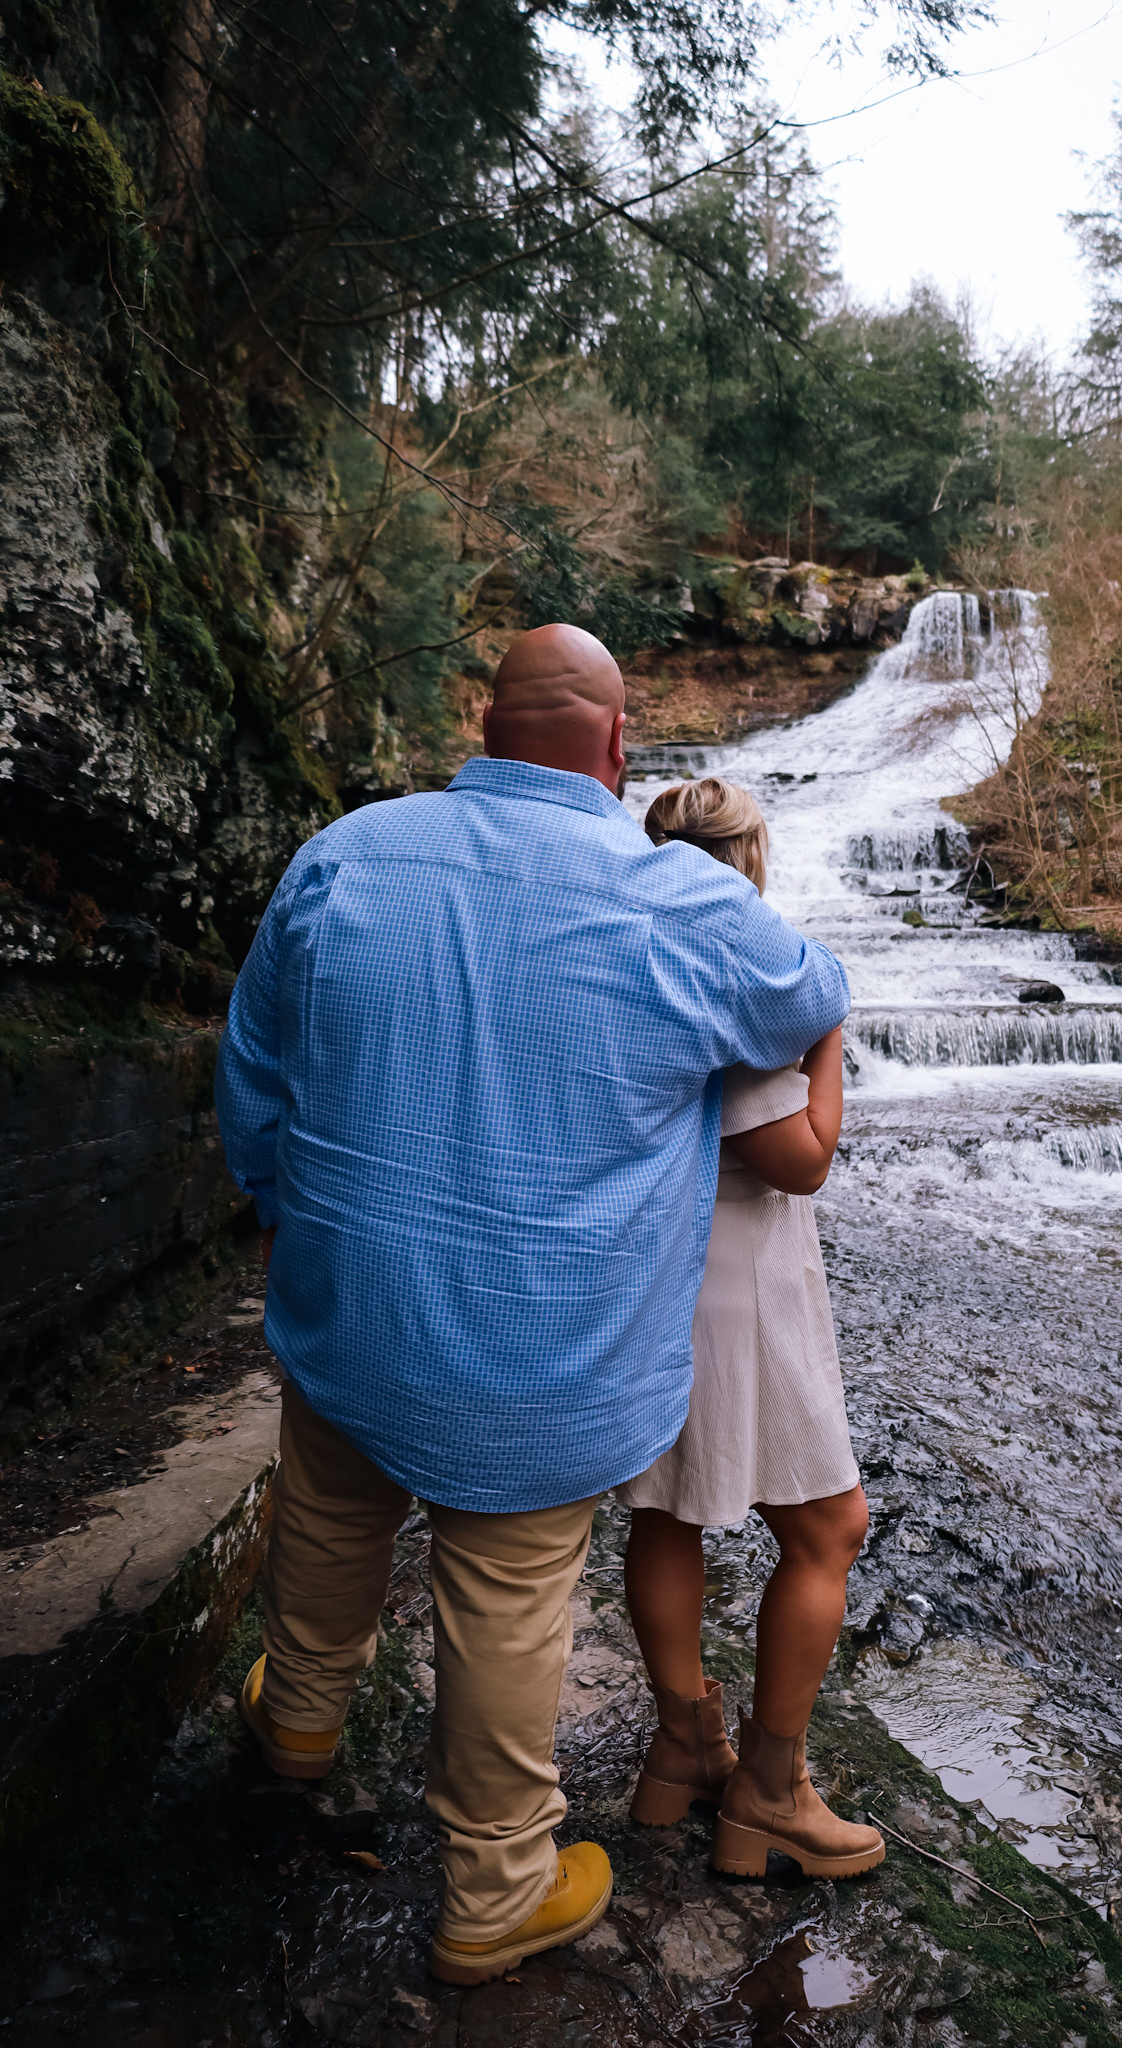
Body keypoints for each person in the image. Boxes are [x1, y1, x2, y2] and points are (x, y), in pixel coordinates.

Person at [214, 627, 848, 1986]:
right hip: (544, 1347)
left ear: (484, 726)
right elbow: (809, 992)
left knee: (328, 1525)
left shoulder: (344, 855)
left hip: (351, 1303)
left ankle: (300, 1736)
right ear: (619, 750)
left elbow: (254, 1065)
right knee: (504, 1603)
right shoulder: (673, 898)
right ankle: (496, 1887)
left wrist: (278, 1201)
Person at [617, 779, 884, 1879]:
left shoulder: (624, 957)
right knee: (828, 1528)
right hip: (740, 1286)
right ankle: (771, 1790)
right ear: (749, 859)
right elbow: (802, 1159)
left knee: (669, 1514)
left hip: (649, 1279)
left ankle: (681, 1754)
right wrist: (827, 1032)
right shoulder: (739, 979)